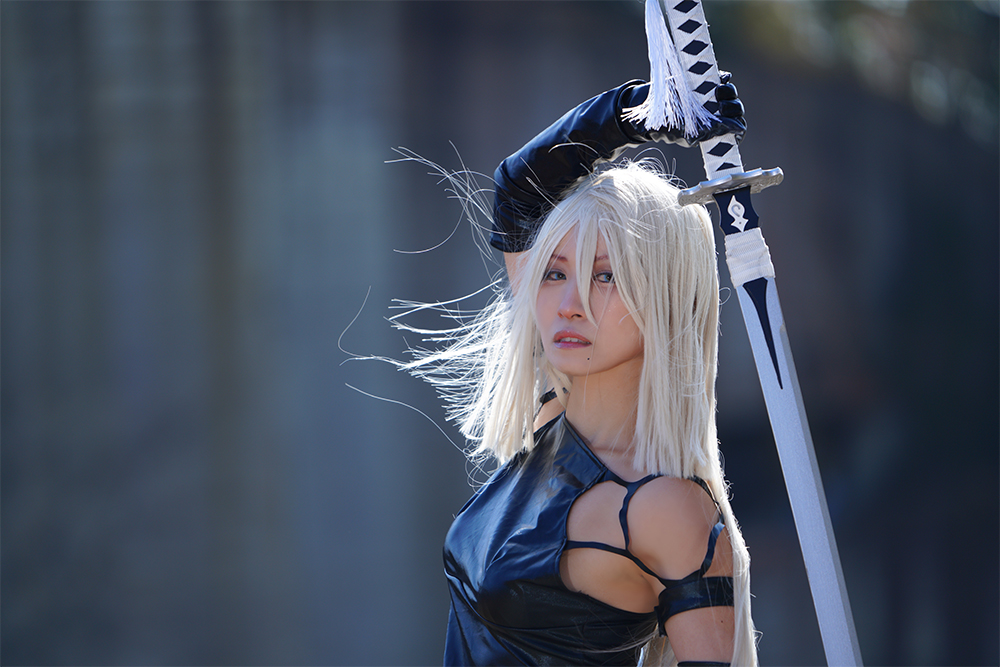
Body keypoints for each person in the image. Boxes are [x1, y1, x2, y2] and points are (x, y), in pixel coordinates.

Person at [400, 77, 757, 666]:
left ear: (664, 298)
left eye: (606, 276)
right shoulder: (551, 421)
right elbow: (519, 190)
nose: (570, 305)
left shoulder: (663, 509)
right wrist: (637, 113)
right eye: (555, 272)